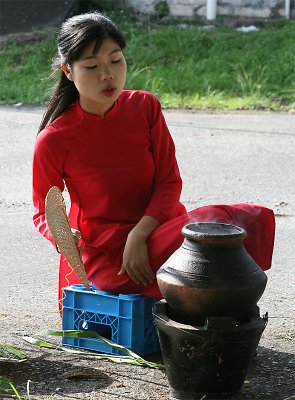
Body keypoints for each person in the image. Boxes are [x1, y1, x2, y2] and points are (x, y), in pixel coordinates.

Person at [32, 12, 275, 309]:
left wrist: (140, 233)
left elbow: (169, 181)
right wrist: (63, 237)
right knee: (209, 252)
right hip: (110, 256)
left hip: (160, 232)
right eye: (92, 66)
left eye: (116, 60)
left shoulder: (144, 107)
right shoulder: (55, 138)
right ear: (68, 71)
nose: (107, 75)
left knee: (235, 221)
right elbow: (43, 212)